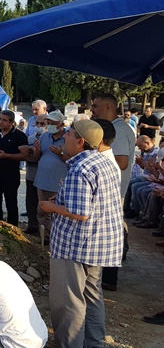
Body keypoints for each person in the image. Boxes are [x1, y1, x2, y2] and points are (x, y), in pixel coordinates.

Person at [39, 119, 123, 347]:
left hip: (75, 246)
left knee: (69, 303)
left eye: (69, 133)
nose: (64, 135)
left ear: (80, 141)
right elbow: (96, 201)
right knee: (92, 297)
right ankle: (93, 343)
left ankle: (70, 343)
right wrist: (63, 200)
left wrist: (51, 207)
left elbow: (81, 213)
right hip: (97, 245)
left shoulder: (80, 168)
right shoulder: (103, 161)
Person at [91, 93, 135, 292]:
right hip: (111, 191)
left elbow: (122, 162)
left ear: (108, 107)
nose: (92, 110)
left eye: (96, 106)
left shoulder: (118, 129)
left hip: (113, 192)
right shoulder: (115, 128)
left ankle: (109, 278)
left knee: (110, 235)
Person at [0, 110, 29, 226]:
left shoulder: (19, 136)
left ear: (12, 122)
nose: (1, 122)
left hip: (10, 175)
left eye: (4, 120)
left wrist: (6, 155)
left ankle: (12, 227)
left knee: (11, 202)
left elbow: (25, 155)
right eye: (0, 119)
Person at [32, 110, 69, 238]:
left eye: (54, 123)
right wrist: (36, 151)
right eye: (49, 122)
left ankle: (58, 238)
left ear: (61, 124)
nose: (50, 124)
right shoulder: (44, 136)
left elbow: (72, 160)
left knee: (57, 212)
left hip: (58, 182)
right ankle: (45, 238)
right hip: (42, 180)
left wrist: (61, 154)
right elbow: (37, 158)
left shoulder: (68, 138)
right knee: (41, 210)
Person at [24, 114, 47, 235]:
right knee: (31, 201)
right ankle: (32, 225)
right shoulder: (31, 138)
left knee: (42, 203)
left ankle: (43, 230)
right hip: (31, 173)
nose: (38, 126)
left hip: (44, 176)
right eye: (37, 124)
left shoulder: (48, 137)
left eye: (42, 124)